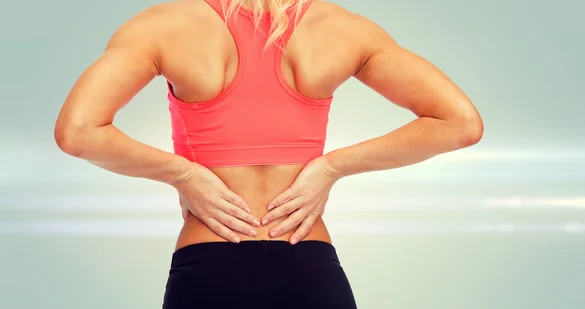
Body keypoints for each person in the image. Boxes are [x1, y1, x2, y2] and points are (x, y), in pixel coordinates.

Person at [54, 0, 484, 308]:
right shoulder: (342, 27)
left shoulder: (165, 24)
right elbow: (460, 123)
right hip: (309, 263)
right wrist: (330, 168)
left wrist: (185, 175)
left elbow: (78, 132)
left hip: (209, 265)